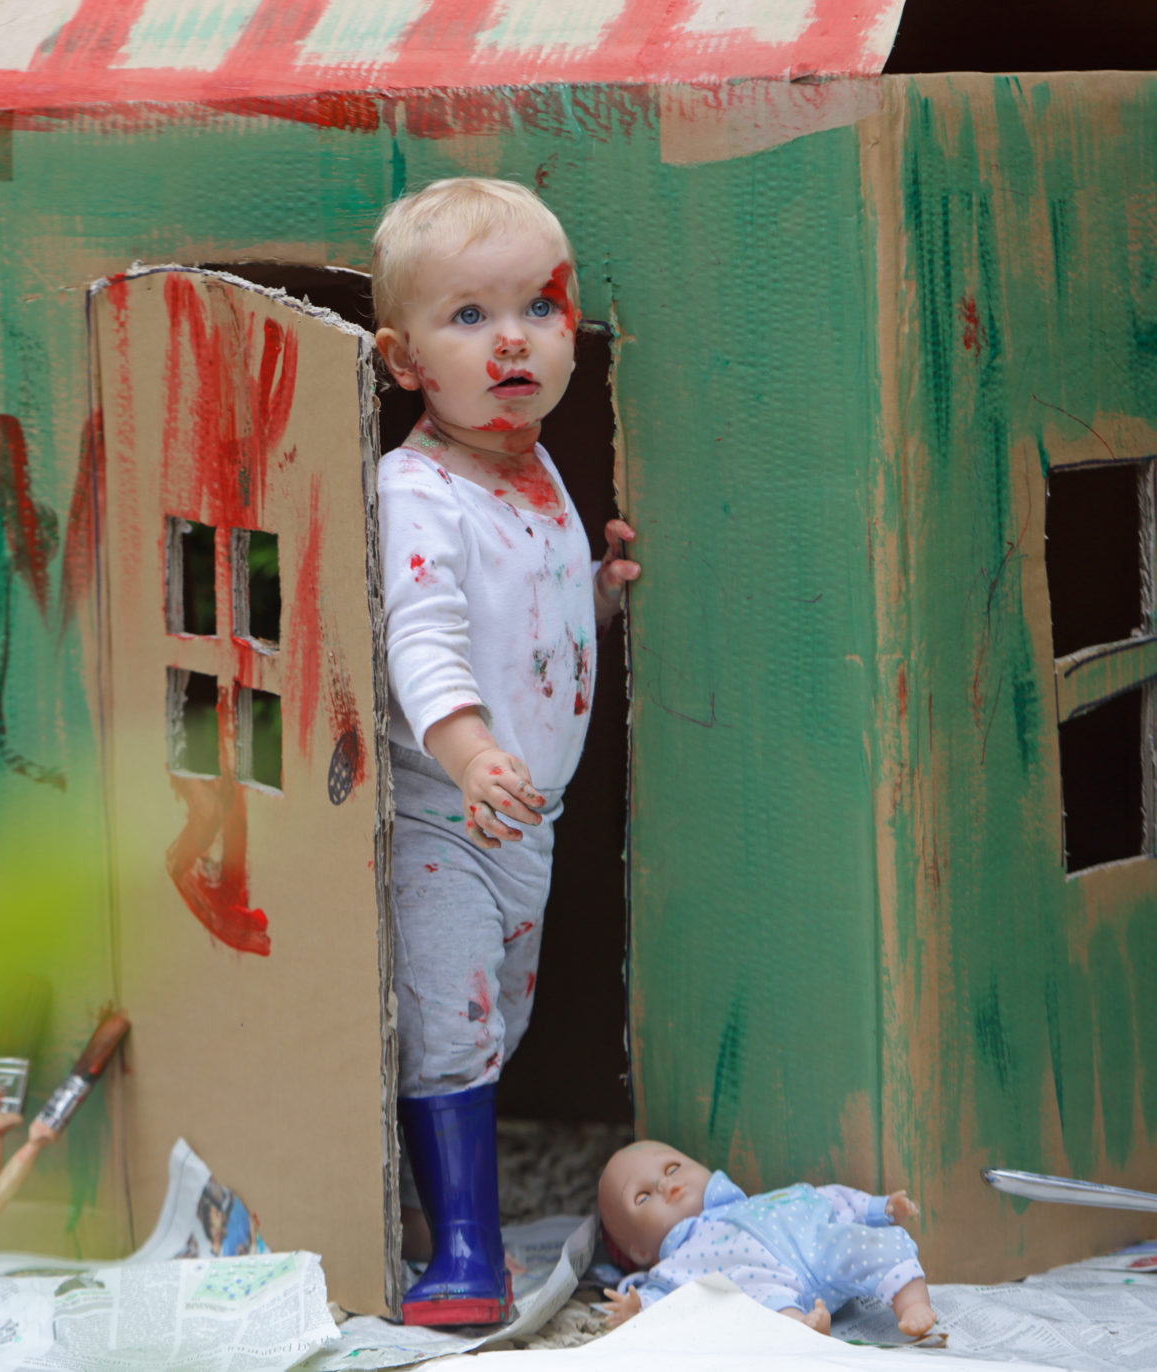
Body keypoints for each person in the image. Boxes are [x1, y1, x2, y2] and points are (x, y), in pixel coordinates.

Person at [371, 176, 639, 1326]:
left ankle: (436, 1213)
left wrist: (596, 599)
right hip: (443, 809)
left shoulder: (534, 472)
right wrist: (471, 751)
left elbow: (525, 628)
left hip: (522, 818)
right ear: (402, 360)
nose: (513, 338)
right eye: (469, 317)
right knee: (449, 1017)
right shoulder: (417, 487)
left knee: (497, 1022)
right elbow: (423, 638)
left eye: (537, 306)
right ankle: (465, 1257)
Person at [596, 1140, 938, 1337]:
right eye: (643, 1197)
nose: (664, 1185)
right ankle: (800, 1330)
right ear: (639, 1250)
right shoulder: (676, 1264)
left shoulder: (766, 1201)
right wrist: (637, 1309)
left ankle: (912, 1304)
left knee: (870, 1245)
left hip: (820, 1247)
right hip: (769, 1287)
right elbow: (670, 1300)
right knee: (755, 1303)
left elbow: (828, 1198)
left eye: (672, 1168)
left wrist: (879, 1208)